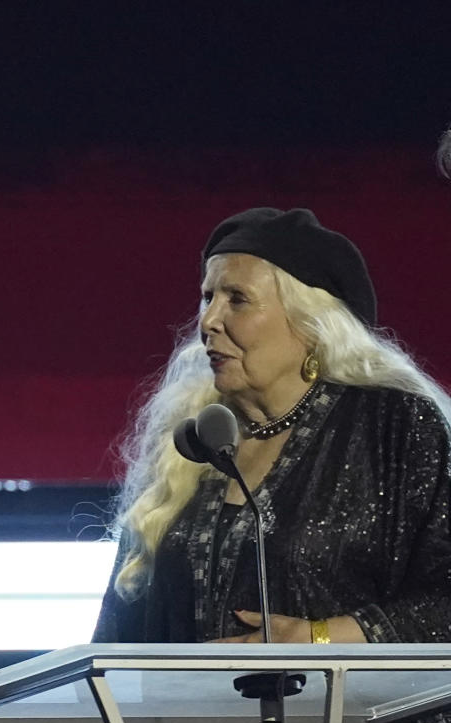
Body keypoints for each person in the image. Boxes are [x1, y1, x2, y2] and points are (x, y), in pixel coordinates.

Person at [93, 207, 451, 646]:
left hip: (347, 711)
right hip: (190, 715)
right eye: (208, 297)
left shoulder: (393, 425)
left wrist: (319, 638)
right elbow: (119, 627)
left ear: (310, 323)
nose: (208, 321)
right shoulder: (194, 440)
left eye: (237, 299)